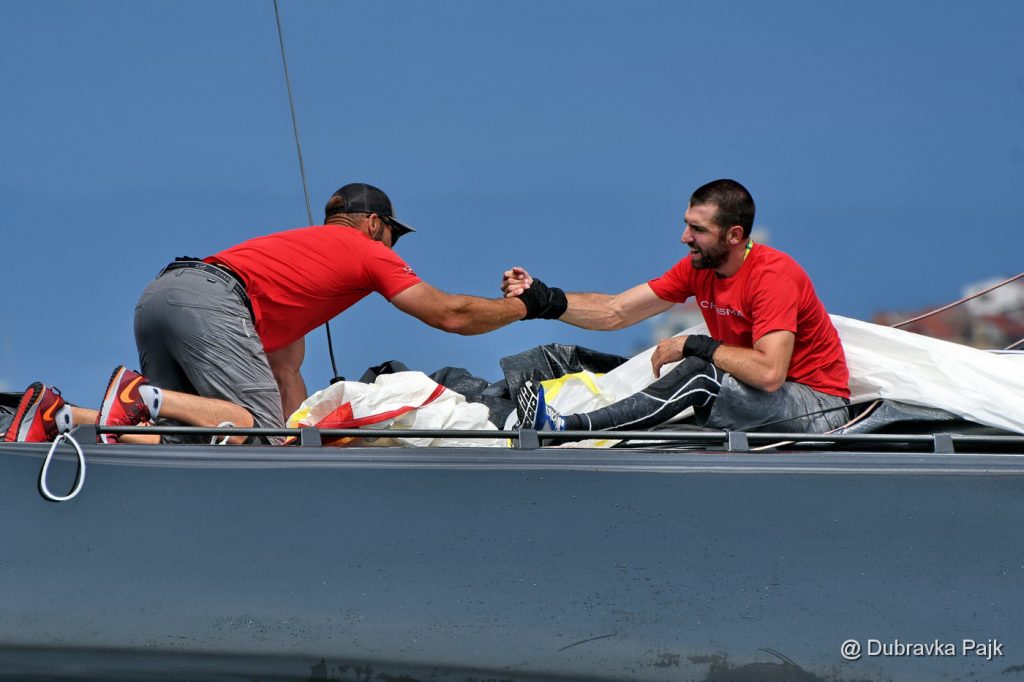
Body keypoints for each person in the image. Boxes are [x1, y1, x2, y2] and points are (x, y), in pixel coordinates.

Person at [6, 182, 549, 445]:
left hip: (163, 297)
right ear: (371, 224)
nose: (394, 247)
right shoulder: (364, 250)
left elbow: (284, 374)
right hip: (212, 302)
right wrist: (523, 305)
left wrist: (297, 440)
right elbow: (450, 315)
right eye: (393, 234)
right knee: (258, 439)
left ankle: (58, 415)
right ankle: (138, 393)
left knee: (187, 443)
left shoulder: (293, 264)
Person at [504, 178, 850, 435]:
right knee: (685, 369)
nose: (684, 237)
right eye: (686, 223)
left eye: (698, 229)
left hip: (817, 408)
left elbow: (770, 374)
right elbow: (616, 311)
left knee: (700, 368)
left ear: (734, 235)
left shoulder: (773, 276)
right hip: (755, 395)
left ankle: (567, 428)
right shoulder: (699, 268)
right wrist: (544, 299)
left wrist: (696, 345)